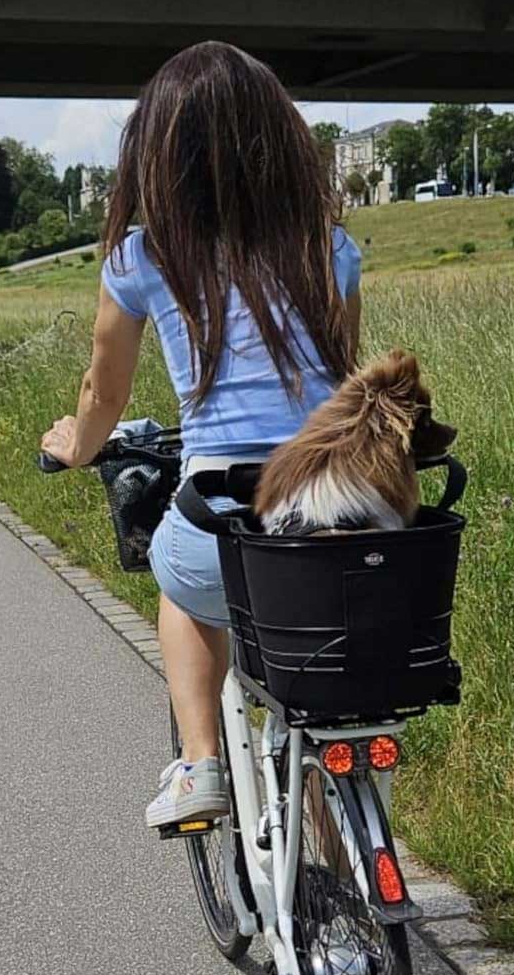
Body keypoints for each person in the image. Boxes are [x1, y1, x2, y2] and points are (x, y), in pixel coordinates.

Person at [41, 41, 361, 829]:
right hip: (340, 508)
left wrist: (70, 446)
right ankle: (336, 839)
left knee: (180, 583)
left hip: (228, 510)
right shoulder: (331, 247)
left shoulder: (145, 256)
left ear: (157, 154)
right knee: (318, 667)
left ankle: (201, 764)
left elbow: (102, 393)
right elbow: (342, 384)